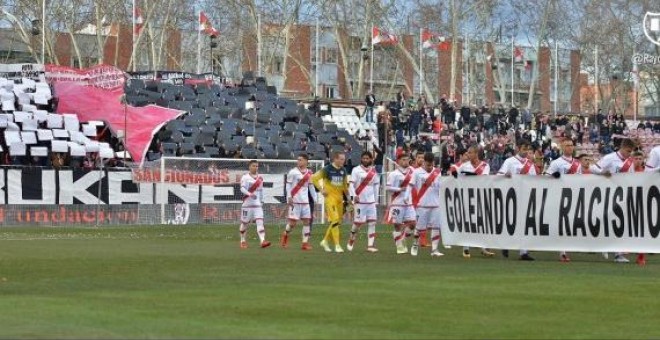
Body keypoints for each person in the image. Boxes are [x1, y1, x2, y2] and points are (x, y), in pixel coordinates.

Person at [589, 138, 638, 263]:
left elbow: (631, 178)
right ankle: (603, 245)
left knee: (620, 223)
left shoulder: (630, 162)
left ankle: (618, 254)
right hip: (608, 193)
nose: (629, 153)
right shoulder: (610, 158)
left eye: (631, 151)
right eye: (628, 150)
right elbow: (593, 168)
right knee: (606, 221)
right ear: (622, 147)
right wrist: (602, 172)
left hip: (622, 195)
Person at [497, 138, 536, 261]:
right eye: (524, 149)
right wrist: (505, 175)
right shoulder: (510, 161)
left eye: (528, 149)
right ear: (518, 148)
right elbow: (499, 175)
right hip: (511, 196)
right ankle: (506, 245)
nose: (526, 151)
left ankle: (523, 252)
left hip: (525, 196)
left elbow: (535, 180)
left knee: (524, 223)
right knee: (510, 222)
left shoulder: (530, 164)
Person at [544, 138, 582, 263]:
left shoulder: (577, 163)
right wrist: (553, 176)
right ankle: (562, 251)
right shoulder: (556, 163)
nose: (570, 147)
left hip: (574, 196)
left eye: (571, 145)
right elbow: (546, 176)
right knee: (562, 224)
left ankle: (566, 248)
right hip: (560, 196)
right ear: (562, 147)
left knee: (571, 224)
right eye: (567, 145)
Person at [455, 145, 496, 259]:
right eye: (467, 153)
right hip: (467, 196)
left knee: (480, 222)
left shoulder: (485, 166)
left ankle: (482, 247)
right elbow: (455, 176)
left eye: (470, 152)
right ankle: (466, 249)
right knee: (467, 222)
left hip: (480, 196)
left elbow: (483, 179)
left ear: (476, 153)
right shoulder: (464, 166)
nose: (468, 155)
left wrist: (469, 176)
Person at [312, 151, 350, 253]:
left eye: (344, 159)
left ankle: (325, 241)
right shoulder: (327, 169)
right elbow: (313, 178)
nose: (343, 161)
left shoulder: (343, 170)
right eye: (341, 159)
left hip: (339, 199)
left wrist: (349, 200)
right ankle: (337, 245)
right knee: (335, 219)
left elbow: (345, 187)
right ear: (335, 159)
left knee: (337, 221)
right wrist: (321, 189)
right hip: (330, 198)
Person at [281, 154, 317, 250]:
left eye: (300, 160)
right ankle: (285, 235)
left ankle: (305, 243)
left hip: (305, 202)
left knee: (307, 222)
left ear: (306, 161)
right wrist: (289, 197)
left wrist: (315, 198)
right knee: (292, 223)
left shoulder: (309, 173)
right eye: (298, 160)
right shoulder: (293, 172)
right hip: (295, 201)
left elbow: (311, 186)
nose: (298, 161)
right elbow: (288, 186)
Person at [412, 152, 445, 257]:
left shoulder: (437, 172)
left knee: (436, 227)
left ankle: (434, 250)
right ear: (424, 162)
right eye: (427, 165)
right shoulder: (417, 173)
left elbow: (440, 187)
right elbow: (411, 185)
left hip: (435, 204)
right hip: (422, 205)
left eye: (431, 165)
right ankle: (415, 244)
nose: (429, 167)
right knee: (419, 228)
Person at [347, 151, 380, 253]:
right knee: (357, 223)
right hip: (360, 201)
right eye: (364, 158)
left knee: (372, 222)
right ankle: (351, 239)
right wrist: (354, 196)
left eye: (367, 158)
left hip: (371, 202)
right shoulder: (356, 170)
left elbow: (376, 186)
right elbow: (351, 185)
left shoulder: (373, 172)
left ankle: (370, 245)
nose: (365, 160)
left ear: (371, 159)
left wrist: (376, 200)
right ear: (361, 159)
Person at [386, 153, 417, 254]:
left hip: (409, 202)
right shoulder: (393, 174)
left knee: (413, 223)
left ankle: (403, 238)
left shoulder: (412, 172)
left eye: (407, 160)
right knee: (397, 225)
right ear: (398, 161)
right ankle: (399, 247)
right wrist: (400, 188)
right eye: (403, 160)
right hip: (397, 202)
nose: (406, 162)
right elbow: (388, 188)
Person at [239, 160, 271, 249]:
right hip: (247, 204)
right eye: (253, 166)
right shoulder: (245, 177)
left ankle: (262, 241)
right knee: (244, 223)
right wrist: (250, 194)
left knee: (260, 222)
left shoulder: (260, 178)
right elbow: (242, 189)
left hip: (257, 205)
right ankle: (242, 240)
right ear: (249, 167)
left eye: (257, 166)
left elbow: (260, 190)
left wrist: (261, 201)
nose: (255, 168)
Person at [410, 151, 429, 247]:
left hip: (422, 198)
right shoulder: (412, 170)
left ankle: (423, 241)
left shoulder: (427, 170)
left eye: (422, 158)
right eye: (419, 157)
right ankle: (405, 235)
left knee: (422, 220)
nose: (421, 159)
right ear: (415, 159)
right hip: (413, 197)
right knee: (414, 221)